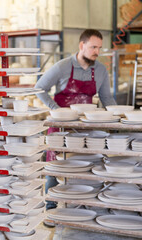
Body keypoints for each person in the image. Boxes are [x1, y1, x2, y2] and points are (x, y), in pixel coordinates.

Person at [35, 29, 117, 210]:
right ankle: (51, 206)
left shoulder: (101, 70)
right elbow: (39, 88)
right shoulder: (62, 66)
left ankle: (82, 207)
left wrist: (116, 119)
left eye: (99, 48)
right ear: (82, 45)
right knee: (55, 167)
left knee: (85, 167)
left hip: (86, 129)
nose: (97, 51)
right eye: (93, 47)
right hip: (61, 127)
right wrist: (57, 111)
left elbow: (107, 99)